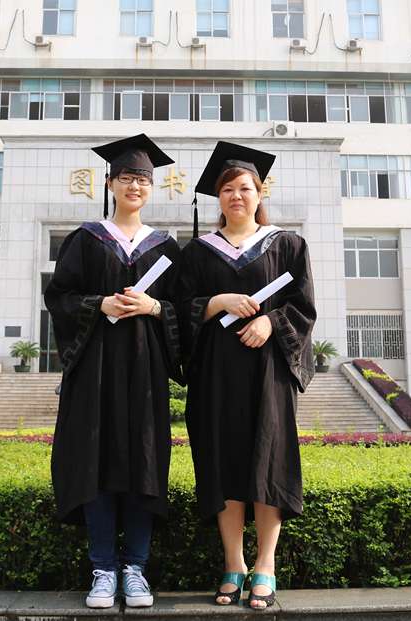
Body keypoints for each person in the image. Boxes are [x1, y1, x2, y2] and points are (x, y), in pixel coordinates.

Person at [43, 134, 182, 609]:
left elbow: (183, 310)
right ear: (110, 183)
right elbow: (58, 298)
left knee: (143, 462)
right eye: (126, 177)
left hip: (144, 373)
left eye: (142, 178)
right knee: (95, 463)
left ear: (151, 187)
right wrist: (98, 302)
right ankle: (103, 568)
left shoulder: (166, 247)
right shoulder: (85, 239)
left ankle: (136, 569)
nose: (135, 185)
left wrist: (155, 306)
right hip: (95, 371)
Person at [179, 141, 316, 610]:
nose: (236, 196)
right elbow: (176, 311)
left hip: (267, 373)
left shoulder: (288, 245)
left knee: (267, 464)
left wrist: (270, 322)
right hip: (215, 373)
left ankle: (266, 566)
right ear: (218, 198)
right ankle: (233, 563)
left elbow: (303, 308)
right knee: (223, 464)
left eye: (244, 188)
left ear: (259, 193)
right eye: (227, 189)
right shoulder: (197, 253)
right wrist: (216, 303)